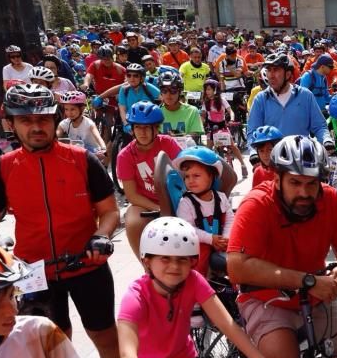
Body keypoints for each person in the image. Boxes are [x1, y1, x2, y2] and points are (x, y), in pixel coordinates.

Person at [0, 84, 122, 358]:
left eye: (43, 119)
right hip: (34, 275)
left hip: (88, 265)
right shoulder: (3, 169)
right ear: (11, 123)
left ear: (54, 119)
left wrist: (101, 237)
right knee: (52, 348)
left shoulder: (82, 160)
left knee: (106, 338)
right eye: (26, 120)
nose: (36, 127)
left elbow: (109, 212)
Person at [226, 135, 337, 358]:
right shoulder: (257, 204)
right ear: (277, 178)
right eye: (294, 182)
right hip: (266, 298)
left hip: (316, 293)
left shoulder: (330, 198)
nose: (303, 192)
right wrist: (307, 280)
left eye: (311, 183)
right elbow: (237, 266)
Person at [118, 218, 276, 358]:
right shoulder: (135, 296)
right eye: (165, 258)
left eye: (182, 259)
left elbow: (227, 324)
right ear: (147, 261)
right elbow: (128, 356)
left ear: (192, 262)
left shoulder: (193, 280)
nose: (175, 266)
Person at [117, 101, 183, 261]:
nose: (142, 132)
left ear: (156, 128)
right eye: (138, 127)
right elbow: (132, 196)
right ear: (131, 129)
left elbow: (183, 173)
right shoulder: (125, 156)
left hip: (175, 198)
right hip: (146, 203)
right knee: (132, 221)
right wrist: (159, 208)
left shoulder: (168, 143)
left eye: (147, 127)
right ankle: (147, 267)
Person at [171, 147, 234, 276]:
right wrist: (210, 239)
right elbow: (188, 229)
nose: (190, 180)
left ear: (211, 176)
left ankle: (239, 285)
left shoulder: (221, 198)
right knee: (198, 258)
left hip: (221, 241)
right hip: (200, 243)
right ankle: (200, 284)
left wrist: (226, 239)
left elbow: (230, 220)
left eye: (196, 176)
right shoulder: (186, 203)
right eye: (187, 176)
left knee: (240, 249)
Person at [245, 52, 329, 144]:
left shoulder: (305, 95)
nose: (271, 75)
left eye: (276, 70)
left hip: (301, 154)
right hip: (273, 155)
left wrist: (326, 140)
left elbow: (320, 126)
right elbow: (252, 132)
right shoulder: (260, 99)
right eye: (269, 70)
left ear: (288, 74)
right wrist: (254, 153)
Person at [57, 90, 106, 158]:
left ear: (82, 109)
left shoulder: (89, 123)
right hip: (75, 152)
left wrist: (103, 149)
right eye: (66, 109)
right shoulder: (64, 123)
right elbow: (56, 136)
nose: (69, 113)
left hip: (92, 153)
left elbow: (98, 138)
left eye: (72, 109)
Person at [157, 71, 204, 138]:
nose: (168, 94)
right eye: (164, 90)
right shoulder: (156, 112)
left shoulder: (192, 111)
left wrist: (178, 138)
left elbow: (196, 135)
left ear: (180, 91)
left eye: (173, 90)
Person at [248, 124, 283, 189]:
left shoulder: (286, 172)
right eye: (261, 151)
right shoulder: (258, 172)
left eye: (270, 150)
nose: (265, 155)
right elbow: (255, 194)